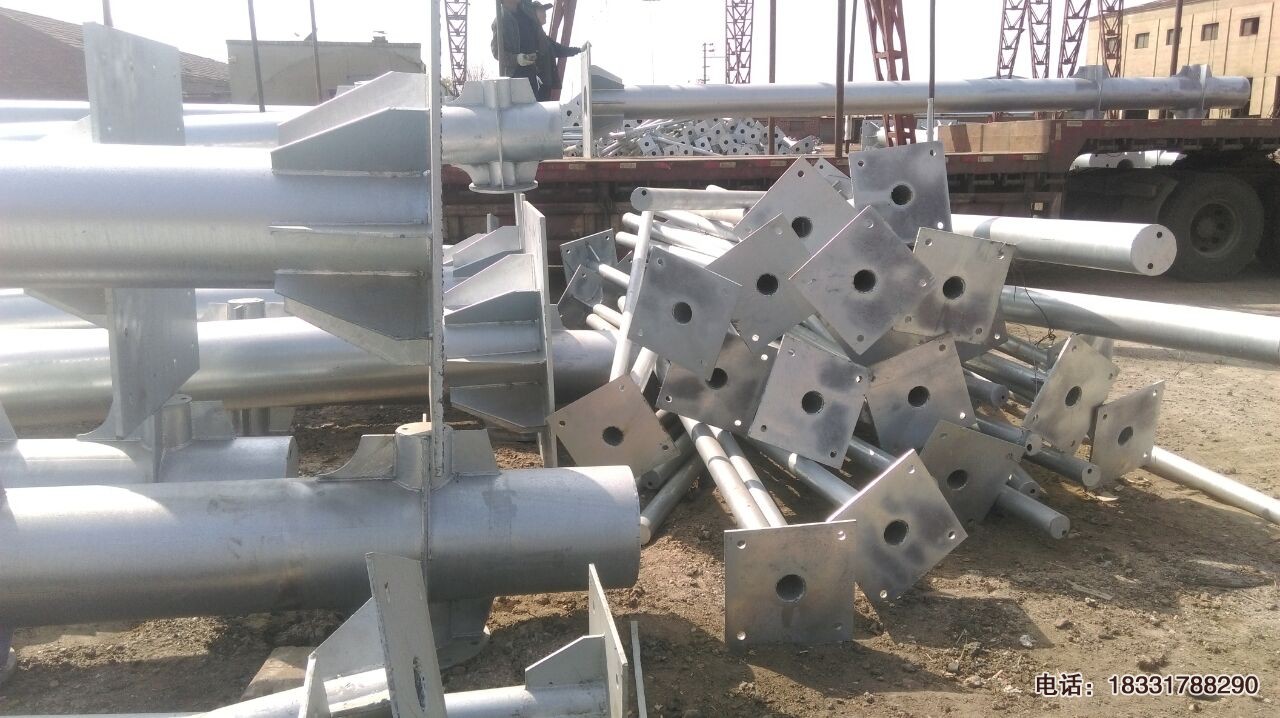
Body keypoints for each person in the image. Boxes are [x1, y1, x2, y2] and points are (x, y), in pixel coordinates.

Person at [531, 1, 583, 102]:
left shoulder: (542, 36)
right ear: (533, 14)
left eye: (544, 11)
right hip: (539, 86)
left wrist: (579, 50)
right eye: (541, 11)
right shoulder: (532, 35)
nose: (544, 13)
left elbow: (559, 49)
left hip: (544, 85)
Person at [491, 0, 541, 94]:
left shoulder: (526, 15)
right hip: (516, 77)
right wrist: (517, 59)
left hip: (532, 74)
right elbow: (497, 52)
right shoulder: (501, 19)